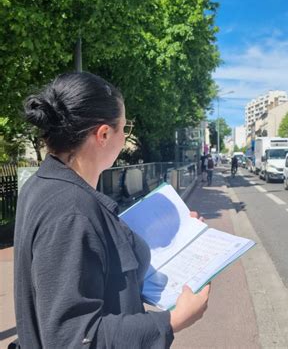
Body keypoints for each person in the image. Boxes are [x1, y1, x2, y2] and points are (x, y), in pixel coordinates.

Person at [13, 72, 210, 348]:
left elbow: (96, 261)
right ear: (104, 134)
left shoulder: (43, 185)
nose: (125, 136)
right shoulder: (71, 212)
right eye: (124, 128)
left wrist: (180, 231)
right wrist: (173, 321)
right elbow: (75, 338)